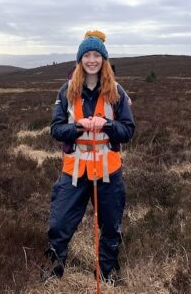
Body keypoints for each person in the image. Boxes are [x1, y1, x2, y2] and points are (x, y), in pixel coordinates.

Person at [44, 30, 135, 282]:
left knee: (110, 226)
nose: (92, 60)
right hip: (74, 171)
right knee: (59, 224)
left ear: (103, 60)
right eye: (87, 55)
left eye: (97, 55)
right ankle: (53, 273)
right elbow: (55, 129)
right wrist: (77, 127)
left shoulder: (117, 92)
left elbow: (128, 130)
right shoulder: (66, 91)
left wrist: (106, 124)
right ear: (80, 59)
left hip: (109, 172)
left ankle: (105, 275)